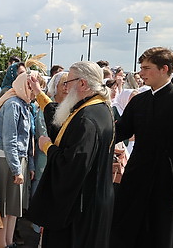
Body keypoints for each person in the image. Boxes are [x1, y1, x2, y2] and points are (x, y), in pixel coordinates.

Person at [27, 61, 115, 248]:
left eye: (68, 82)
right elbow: (62, 122)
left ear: (83, 84)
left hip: (79, 208)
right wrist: (38, 93)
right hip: (94, 201)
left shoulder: (86, 119)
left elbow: (70, 165)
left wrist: (47, 147)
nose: (65, 87)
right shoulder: (98, 108)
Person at [110, 47, 173, 248]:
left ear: (164, 69)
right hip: (137, 174)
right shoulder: (139, 101)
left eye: (146, 68)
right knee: (128, 229)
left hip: (167, 178)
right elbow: (119, 131)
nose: (141, 73)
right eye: (141, 68)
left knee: (160, 231)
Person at [0, 71, 40, 248]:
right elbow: (10, 139)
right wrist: (16, 169)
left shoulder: (24, 103)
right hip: (8, 161)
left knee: (14, 208)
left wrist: (29, 164)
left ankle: (9, 242)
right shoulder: (13, 104)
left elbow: (27, 140)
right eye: (33, 86)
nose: (36, 91)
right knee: (4, 208)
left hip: (17, 161)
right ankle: (2, 244)